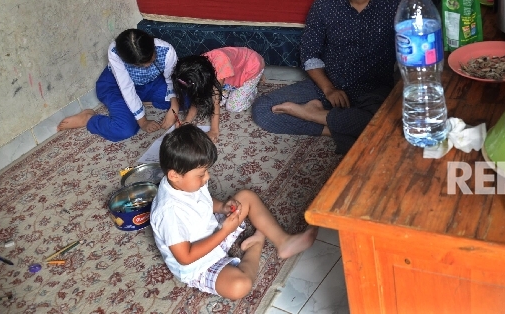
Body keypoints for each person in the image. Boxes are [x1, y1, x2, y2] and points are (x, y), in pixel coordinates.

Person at [251, 0, 401, 154]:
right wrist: (328, 88)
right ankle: (336, 128)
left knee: (391, 121)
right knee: (263, 111)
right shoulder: (325, 4)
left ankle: (315, 115)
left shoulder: (395, 5)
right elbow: (310, 53)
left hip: (374, 91)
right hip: (328, 85)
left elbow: (412, 56)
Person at [150, 124, 317, 300]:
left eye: (206, 171)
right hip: (197, 265)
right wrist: (225, 231)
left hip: (211, 232)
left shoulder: (187, 181)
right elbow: (186, 257)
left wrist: (222, 207)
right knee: (239, 286)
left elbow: (202, 201)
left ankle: (283, 242)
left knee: (246, 196)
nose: (207, 177)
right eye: (201, 174)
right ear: (174, 175)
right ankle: (255, 246)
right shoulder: (169, 213)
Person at [57, 28, 179, 141]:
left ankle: (141, 103)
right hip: (116, 87)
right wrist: (143, 122)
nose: (147, 66)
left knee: (186, 98)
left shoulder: (166, 50)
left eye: (150, 59)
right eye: (140, 65)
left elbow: (172, 80)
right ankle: (89, 119)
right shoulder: (115, 52)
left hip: (150, 83)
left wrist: (174, 108)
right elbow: (127, 89)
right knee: (124, 129)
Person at [172, 48, 264, 142]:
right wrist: (187, 120)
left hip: (252, 65)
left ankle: (252, 90)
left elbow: (215, 100)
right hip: (231, 73)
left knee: (233, 106)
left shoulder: (217, 64)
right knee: (210, 100)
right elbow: (197, 96)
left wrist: (214, 130)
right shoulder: (196, 70)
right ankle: (234, 88)